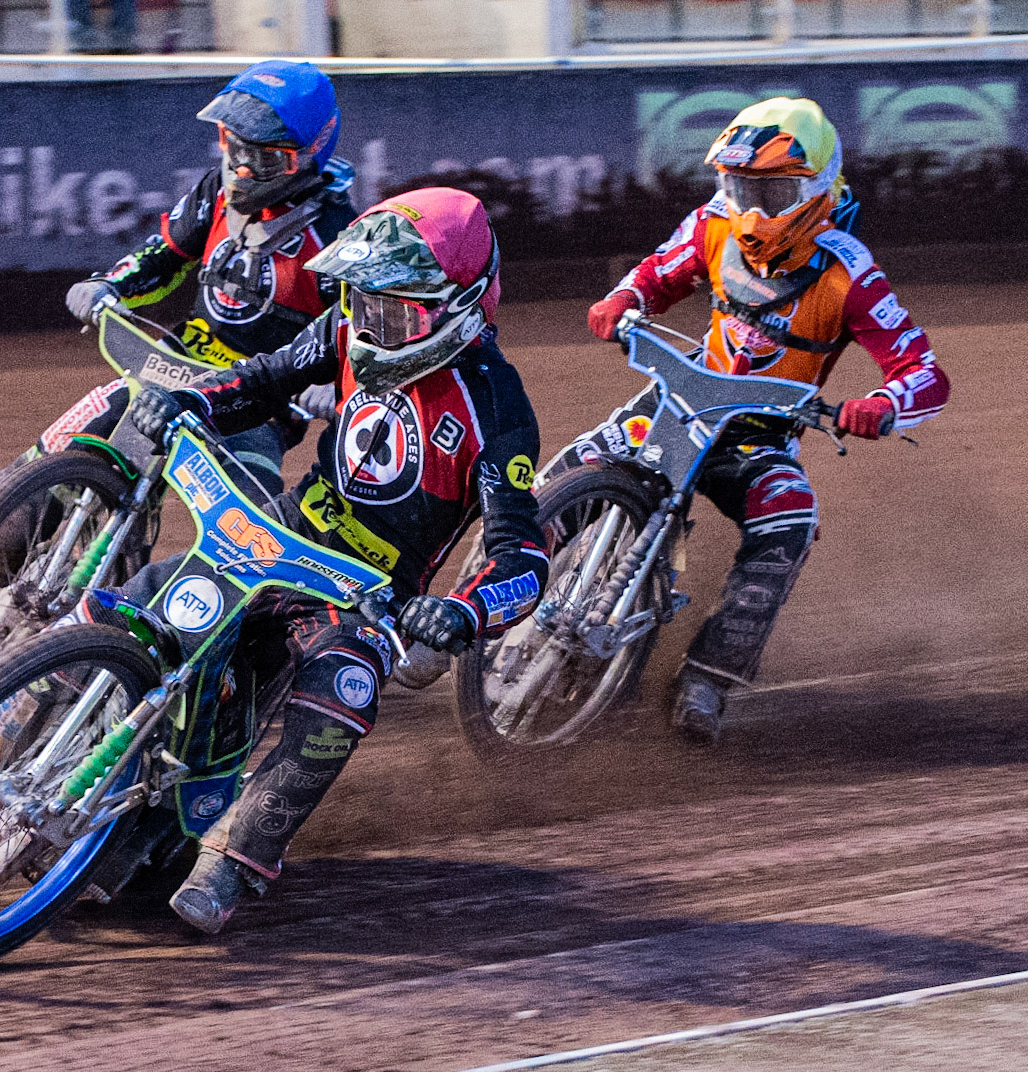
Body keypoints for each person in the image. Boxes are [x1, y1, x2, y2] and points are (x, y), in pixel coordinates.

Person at [113, 186, 548, 933]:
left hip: (366, 595)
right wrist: (194, 401)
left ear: (461, 307)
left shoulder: (498, 409)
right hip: (281, 533)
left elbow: (525, 559)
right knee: (141, 599)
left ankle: (233, 858)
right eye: (363, 299)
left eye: (395, 311)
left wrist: (460, 612)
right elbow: (263, 379)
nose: (370, 322)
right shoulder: (348, 326)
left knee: (343, 691)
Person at [0, 59, 355, 670]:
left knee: (253, 546)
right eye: (235, 148)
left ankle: (248, 667)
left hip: (256, 408)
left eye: (264, 158)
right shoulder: (215, 193)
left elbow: (349, 341)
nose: (242, 170)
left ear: (305, 156)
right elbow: (162, 257)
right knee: (14, 487)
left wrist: (328, 393)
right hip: (168, 371)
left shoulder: (340, 239)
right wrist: (109, 285)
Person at [585, 97, 951, 747]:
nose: (751, 210)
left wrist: (884, 406)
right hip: (679, 403)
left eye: (773, 193)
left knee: (791, 519)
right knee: (570, 472)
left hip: (758, 436)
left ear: (816, 191)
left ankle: (707, 677)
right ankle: (484, 605)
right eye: (739, 188)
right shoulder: (711, 224)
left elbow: (923, 370)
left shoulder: (850, 274)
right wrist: (624, 298)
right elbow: (656, 276)